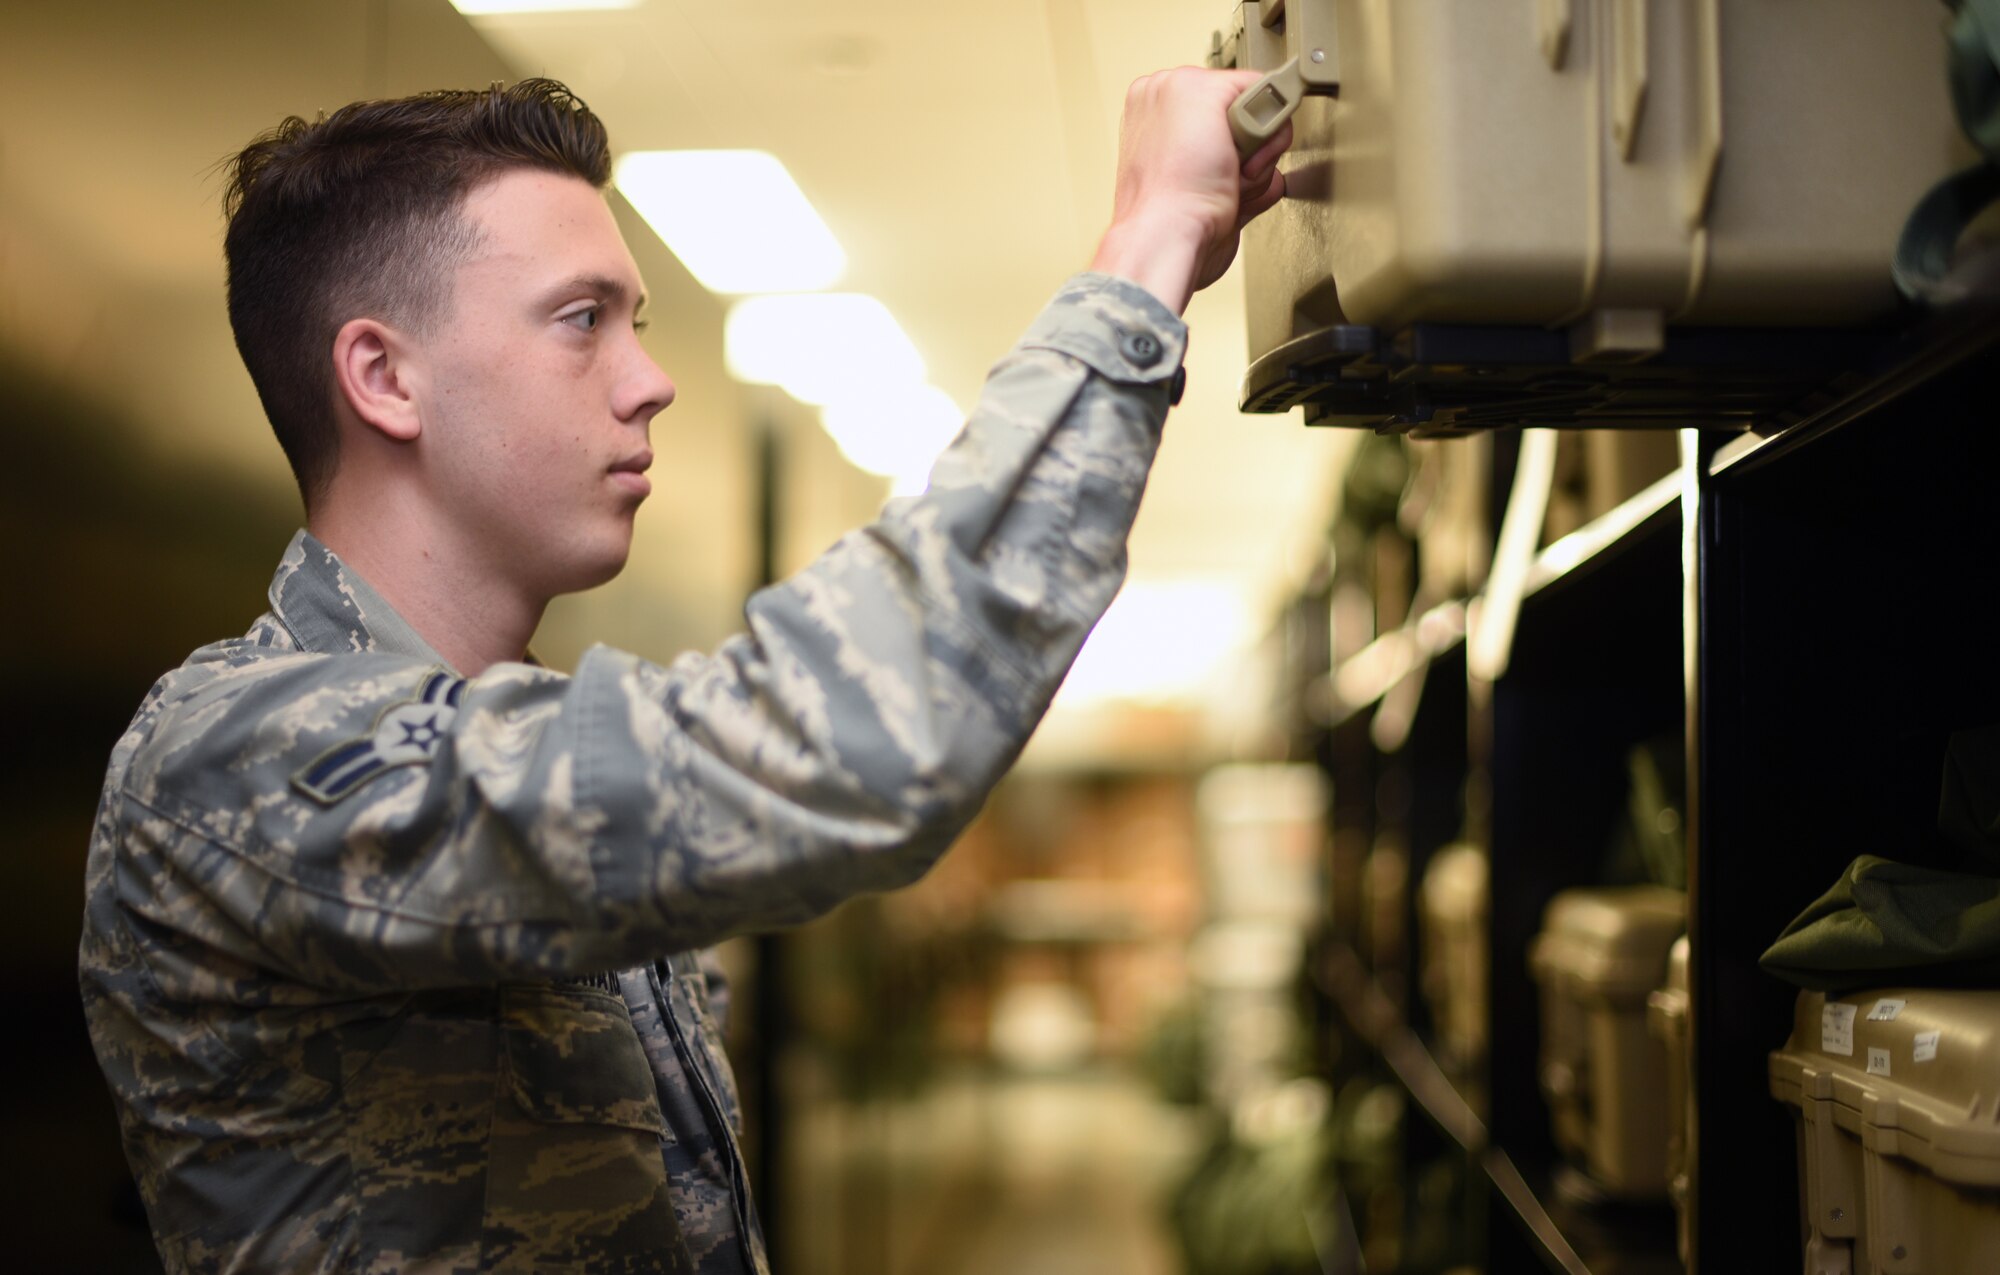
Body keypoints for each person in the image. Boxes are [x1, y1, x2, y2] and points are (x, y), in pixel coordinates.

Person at [78, 68, 1291, 1274]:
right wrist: (1143, 249)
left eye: (635, 322)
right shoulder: (236, 755)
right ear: (384, 378)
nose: (648, 379)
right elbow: (859, 741)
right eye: (579, 319)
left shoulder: (527, 725)